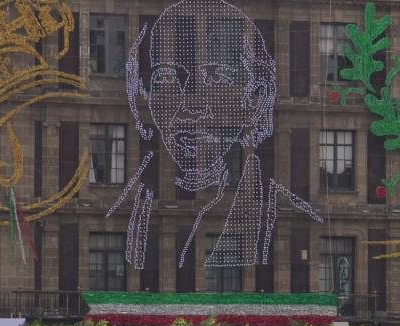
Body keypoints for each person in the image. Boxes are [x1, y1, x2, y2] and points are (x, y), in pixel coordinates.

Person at [111, 0, 320, 271]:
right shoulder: (131, 205)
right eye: (165, 80)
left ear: (258, 97)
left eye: (218, 77)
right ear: (144, 94)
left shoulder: (283, 209)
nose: (191, 106)